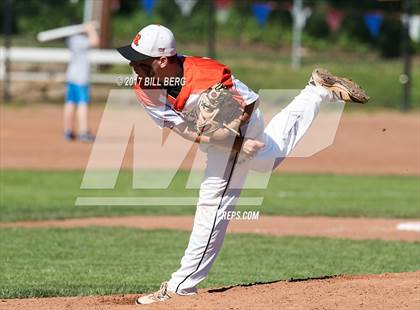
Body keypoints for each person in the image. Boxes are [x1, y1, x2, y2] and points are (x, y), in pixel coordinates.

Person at [117, 24, 369, 305]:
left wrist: (237, 138)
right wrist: (234, 146)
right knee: (266, 160)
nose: (133, 67)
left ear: (162, 61)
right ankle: (317, 91)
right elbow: (184, 131)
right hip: (219, 137)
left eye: (140, 62)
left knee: (213, 200)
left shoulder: (208, 74)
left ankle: (181, 286)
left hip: (244, 121)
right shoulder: (145, 88)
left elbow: (250, 102)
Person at [64, 22, 99, 142]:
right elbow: (95, 41)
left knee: (70, 103)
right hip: (80, 78)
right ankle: (83, 131)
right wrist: (90, 30)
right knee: (82, 104)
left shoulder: (72, 40)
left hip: (72, 77)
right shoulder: (80, 40)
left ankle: (68, 131)